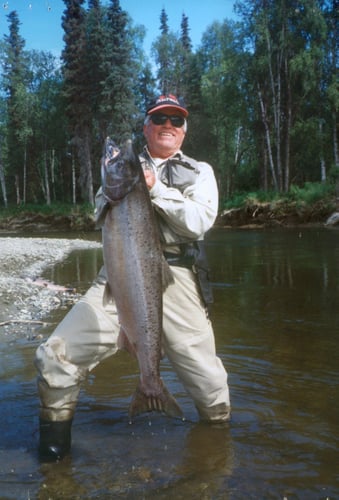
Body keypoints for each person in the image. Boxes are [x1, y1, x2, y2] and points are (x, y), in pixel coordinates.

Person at [34, 94, 231, 462]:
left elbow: (200, 220)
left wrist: (154, 187)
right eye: (159, 119)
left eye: (176, 119)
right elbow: (98, 209)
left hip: (178, 279)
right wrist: (127, 180)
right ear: (147, 127)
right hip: (120, 279)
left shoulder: (200, 171)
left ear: (184, 131)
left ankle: (214, 459)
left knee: (213, 390)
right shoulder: (122, 167)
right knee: (54, 358)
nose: (167, 125)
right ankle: (54, 460)